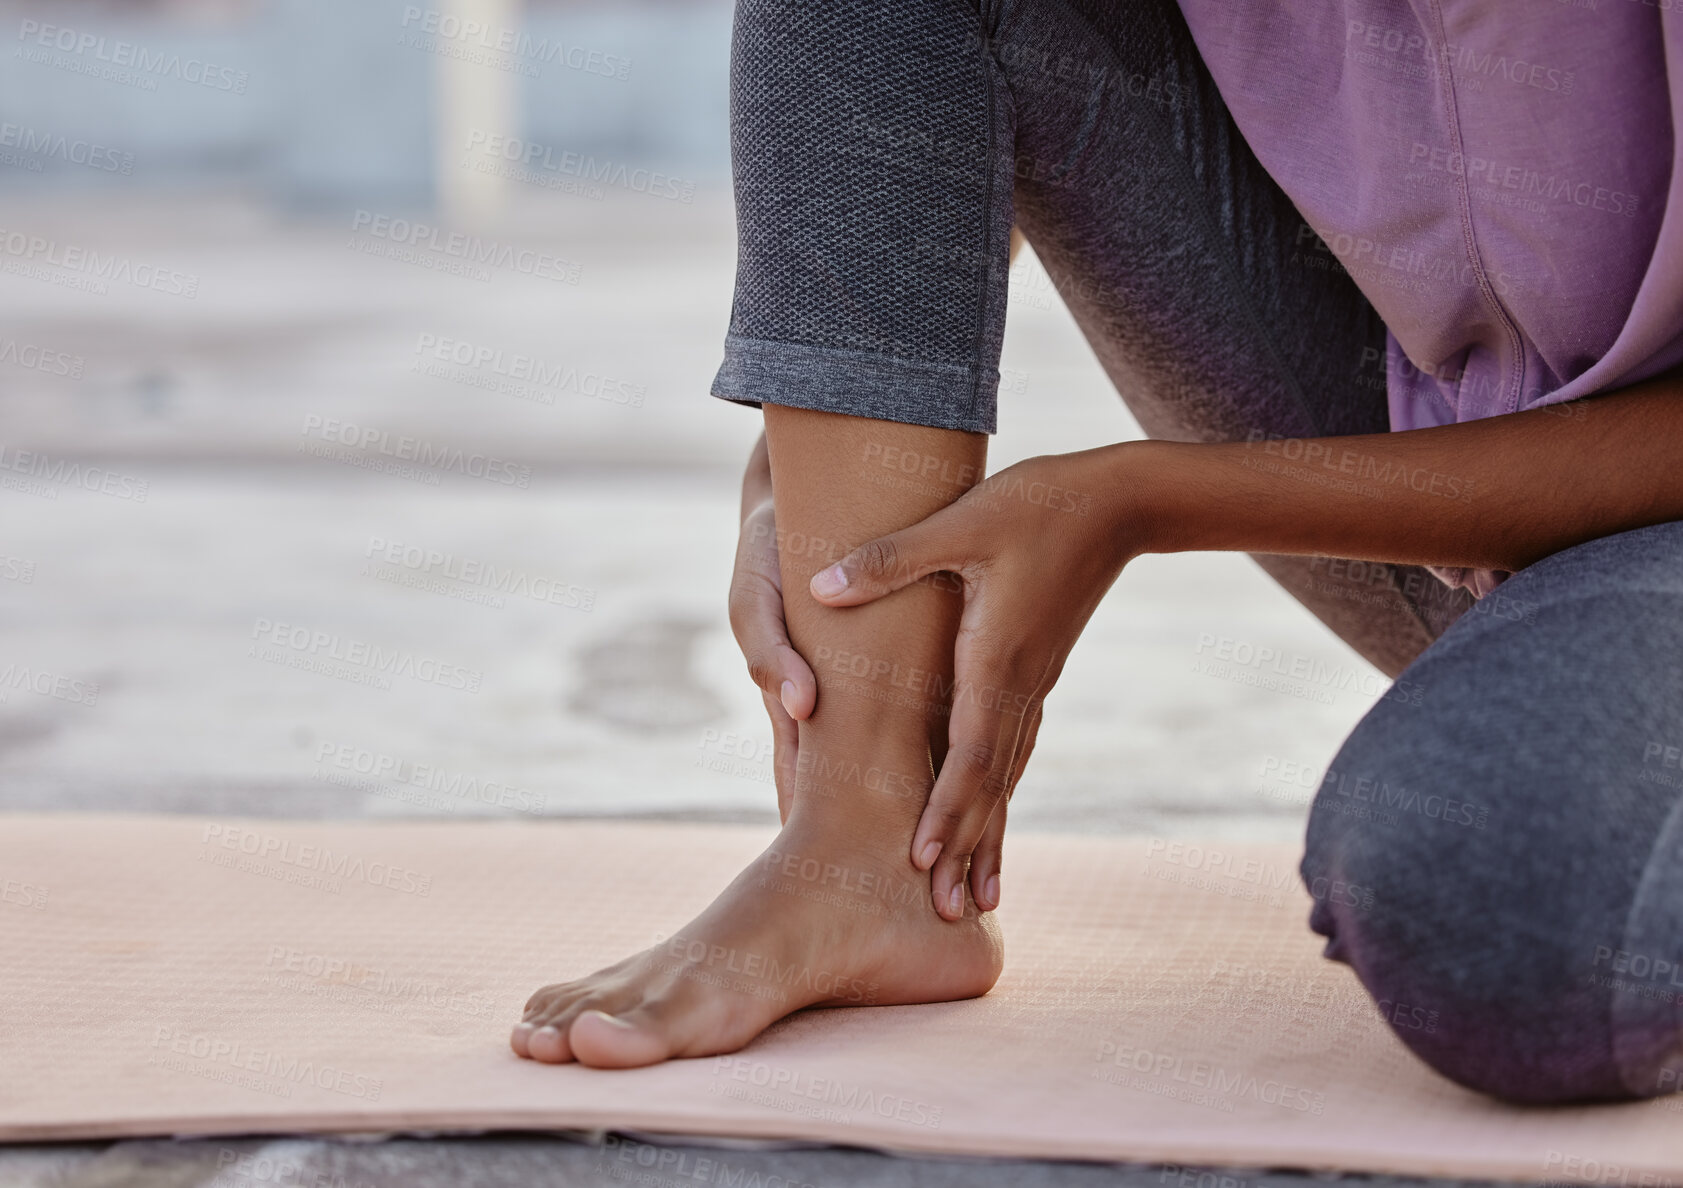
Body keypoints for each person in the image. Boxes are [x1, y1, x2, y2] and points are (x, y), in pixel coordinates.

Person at [512, 0, 1683, 1103]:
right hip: (1436, 448)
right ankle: (865, 854)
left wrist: (1142, 500)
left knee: (1507, 911)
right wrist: (813, 476)